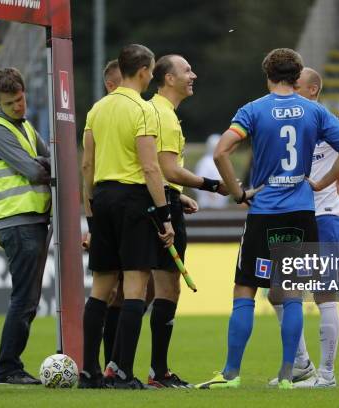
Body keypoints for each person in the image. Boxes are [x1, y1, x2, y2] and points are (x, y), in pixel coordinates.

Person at [196, 48, 339, 389]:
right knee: (292, 292)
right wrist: (323, 182)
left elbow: (221, 151)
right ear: (297, 74)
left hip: (264, 209)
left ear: (267, 74)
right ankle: (289, 375)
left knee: (245, 289)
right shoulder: (315, 111)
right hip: (301, 211)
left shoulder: (253, 110)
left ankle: (231, 374)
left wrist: (237, 192)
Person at [267, 67, 339, 388]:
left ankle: (327, 374)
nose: (290, 90)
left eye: (297, 85)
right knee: (277, 292)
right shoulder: (290, 121)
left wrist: (330, 178)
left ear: (313, 90)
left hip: (326, 219)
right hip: (295, 219)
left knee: (324, 294)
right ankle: (302, 365)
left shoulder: (329, 122)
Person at [79, 44, 173, 390]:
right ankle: (121, 372)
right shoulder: (144, 109)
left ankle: (88, 371)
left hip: (101, 197)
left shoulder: (97, 109)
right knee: (135, 284)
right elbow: (150, 166)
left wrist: (90, 211)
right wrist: (165, 215)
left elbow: (86, 163)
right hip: (132, 199)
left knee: (101, 288)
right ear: (146, 71)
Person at [143, 54, 228, 388]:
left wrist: (178, 194)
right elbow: (167, 168)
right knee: (164, 288)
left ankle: (114, 367)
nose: (193, 75)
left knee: (135, 288)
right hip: (160, 208)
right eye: (186, 71)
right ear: (168, 78)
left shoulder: (158, 111)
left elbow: (162, 173)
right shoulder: (163, 114)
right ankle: (157, 372)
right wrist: (214, 186)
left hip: (158, 199)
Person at [0, 67, 51, 385]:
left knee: (28, 299)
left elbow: (50, 160)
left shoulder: (22, 124)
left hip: (32, 220)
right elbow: (37, 171)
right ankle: (8, 368)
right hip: (18, 222)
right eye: (11, 104)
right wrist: (42, 164)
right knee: (24, 299)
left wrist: (43, 163)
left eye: (20, 99)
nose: (19, 107)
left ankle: (9, 366)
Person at [81, 58, 124, 380]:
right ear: (111, 83)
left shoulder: (94, 114)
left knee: (111, 290)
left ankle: (96, 367)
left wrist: (92, 221)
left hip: (103, 207)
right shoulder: (131, 110)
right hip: (125, 207)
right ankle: (103, 366)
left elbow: (87, 168)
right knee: (113, 289)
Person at [195, 134, 230, 209]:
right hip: (206, 204)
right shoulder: (204, 162)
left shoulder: (223, 162)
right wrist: (209, 192)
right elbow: (198, 181)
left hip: (221, 204)